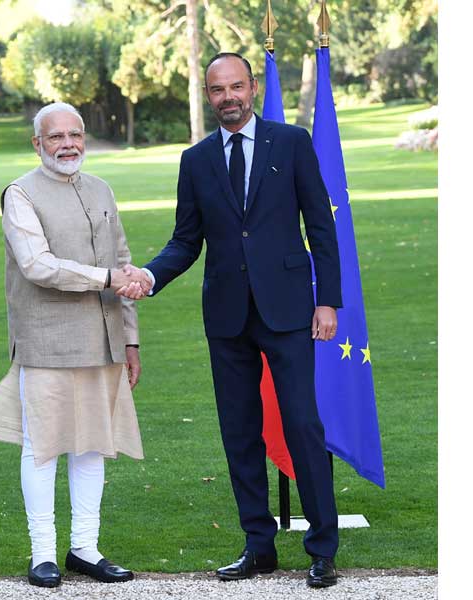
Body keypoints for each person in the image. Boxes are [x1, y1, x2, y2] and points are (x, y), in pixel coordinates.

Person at [119, 52, 342, 588]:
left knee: (302, 426)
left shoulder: (291, 143)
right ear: (208, 95)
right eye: (218, 90)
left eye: (236, 87)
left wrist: (328, 301)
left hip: (288, 311)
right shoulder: (195, 160)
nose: (228, 98)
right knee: (239, 433)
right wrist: (149, 275)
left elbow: (320, 225)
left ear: (252, 87)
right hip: (227, 316)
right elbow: (185, 240)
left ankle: (322, 548)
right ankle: (258, 546)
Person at [0, 102, 150, 588]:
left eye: (75, 134)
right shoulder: (20, 194)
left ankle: (85, 549)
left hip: (104, 340)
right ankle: (43, 554)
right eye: (56, 137)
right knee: (43, 447)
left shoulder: (102, 189)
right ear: (38, 144)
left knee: (93, 445)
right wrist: (107, 278)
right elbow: (38, 265)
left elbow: (123, 262)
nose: (67, 144)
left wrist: (131, 340)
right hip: (46, 341)